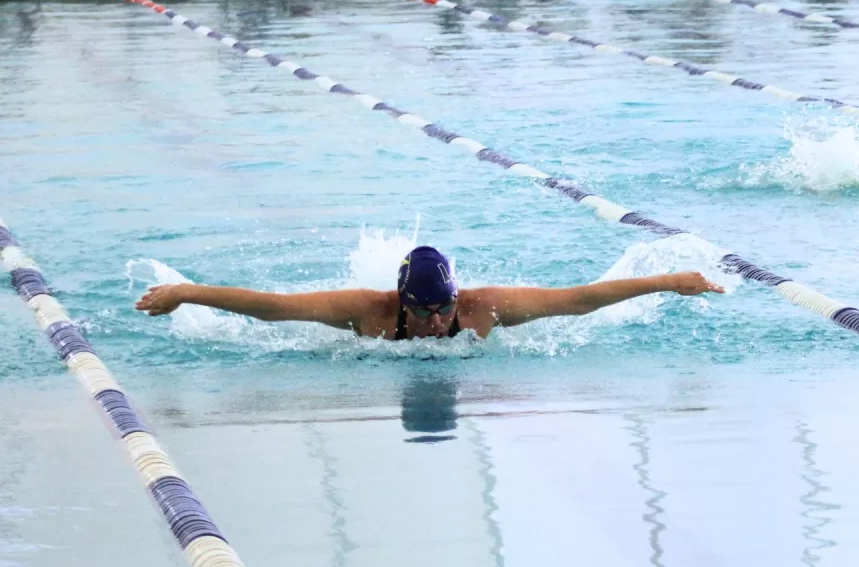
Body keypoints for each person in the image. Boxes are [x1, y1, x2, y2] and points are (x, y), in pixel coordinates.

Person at [135, 246, 724, 340]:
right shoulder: (368, 314)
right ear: (401, 302)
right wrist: (189, 293)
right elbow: (274, 310)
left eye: (443, 308)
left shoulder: (481, 310)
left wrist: (669, 281)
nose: (437, 322)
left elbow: (576, 300)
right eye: (424, 311)